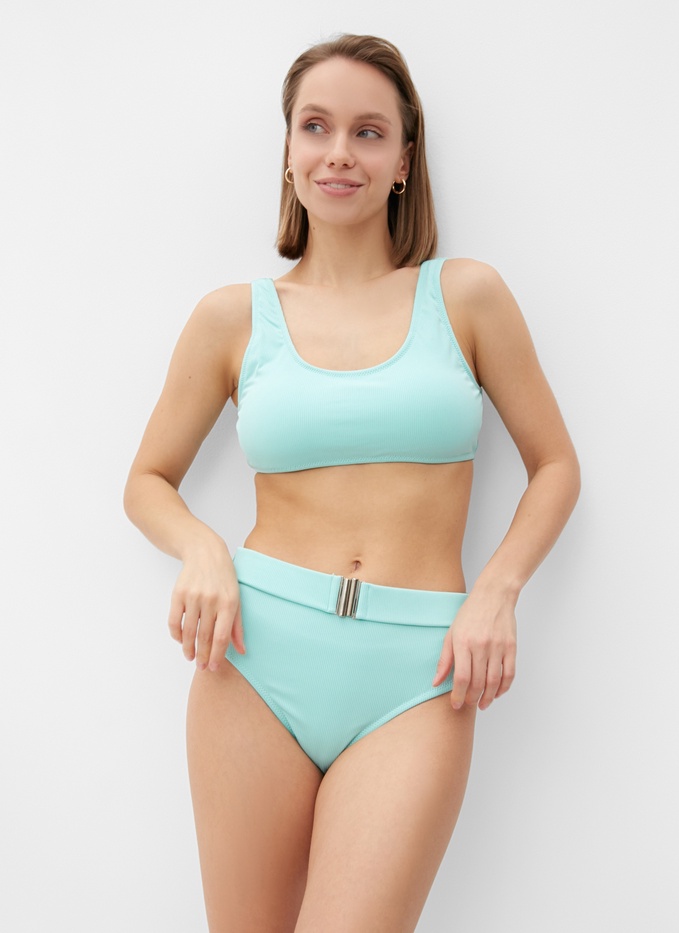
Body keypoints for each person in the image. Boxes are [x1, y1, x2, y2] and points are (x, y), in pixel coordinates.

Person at [124, 32, 580, 933]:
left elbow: (555, 466)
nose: (339, 152)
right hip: (254, 657)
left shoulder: (466, 297)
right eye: (316, 126)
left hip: (421, 670)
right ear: (289, 151)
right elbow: (147, 479)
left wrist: (497, 590)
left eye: (369, 132)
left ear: (404, 160)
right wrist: (202, 548)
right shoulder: (233, 317)